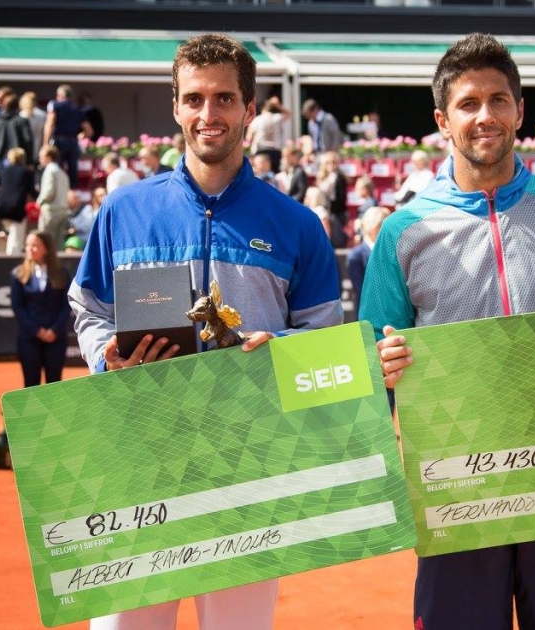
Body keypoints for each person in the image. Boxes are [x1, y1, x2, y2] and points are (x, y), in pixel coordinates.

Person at [360, 32, 535, 630]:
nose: (485, 116)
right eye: (468, 104)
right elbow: (367, 362)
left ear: (519, 110)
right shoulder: (403, 231)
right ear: (442, 120)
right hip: (456, 490)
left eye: (498, 100)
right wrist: (376, 368)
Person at [68, 34, 343, 629]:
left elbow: (327, 338)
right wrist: (106, 353)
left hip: (247, 464)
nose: (208, 115)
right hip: (139, 460)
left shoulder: (297, 225)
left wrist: (284, 353)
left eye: (223, 99)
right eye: (193, 99)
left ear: (249, 108)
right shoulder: (123, 209)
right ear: (175, 106)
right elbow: (89, 306)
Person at [11, 230, 71, 388]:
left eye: (35, 245)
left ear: (46, 248)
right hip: (29, 338)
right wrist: (37, 330)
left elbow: (66, 305)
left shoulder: (62, 273)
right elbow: (18, 307)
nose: (30, 249)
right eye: (28, 245)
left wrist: (54, 330)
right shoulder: (18, 274)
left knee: (54, 384)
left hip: (56, 338)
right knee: (31, 384)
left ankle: (54, 414)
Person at [0, 147, 35, 255]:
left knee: (9, 233)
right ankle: (11, 261)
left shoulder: (3, 171)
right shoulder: (26, 172)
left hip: (1, 207)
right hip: (17, 208)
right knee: (16, 238)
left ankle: (4, 249)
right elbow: (32, 191)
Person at [43, 84, 92, 188]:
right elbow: (89, 130)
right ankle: (73, 192)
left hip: (59, 141)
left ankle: (61, 191)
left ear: (60, 95)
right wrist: (81, 135)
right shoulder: (77, 109)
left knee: (58, 168)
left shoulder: (55, 105)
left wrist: (46, 143)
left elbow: (50, 123)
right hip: (73, 142)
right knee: (73, 170)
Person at [346, 205, 389, 316]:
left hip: (391, 314)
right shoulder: (356, 255)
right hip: (367, 315)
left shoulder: (391, 250)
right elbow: (361, 290)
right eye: (381, 225)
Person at [0, 91, 34, 172]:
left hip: (0, 158)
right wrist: (30, 161)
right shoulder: (22, 121)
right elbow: (28, 141)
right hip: (18, 159)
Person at [36, 145, 70, 250]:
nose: (40, 159)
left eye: (42, 156)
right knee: (58, 247)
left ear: (49, 156)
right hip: (63, 211)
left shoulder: (49, 171)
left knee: (45, 245)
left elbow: (49, 192)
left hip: (51, 212)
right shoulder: (62, 172)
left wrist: (38, 202)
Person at [246, 95, 290, 169]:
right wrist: (278, 105)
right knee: (274, 174)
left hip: (260, 150)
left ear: (262, 109)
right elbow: (289, 114)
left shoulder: (256, 120)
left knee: (260, 174)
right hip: (275, 150)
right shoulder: (277, 118)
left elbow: (249, 138)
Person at [315, 150, 349, 228]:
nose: (331, 165)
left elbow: (342, 198)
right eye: (328, 163)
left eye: (334, 162)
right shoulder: (322, 177)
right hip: (323, 212)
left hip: (336, 213)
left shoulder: (340, 177)